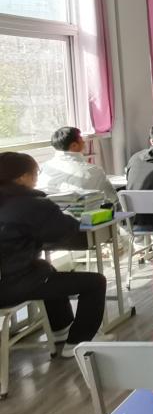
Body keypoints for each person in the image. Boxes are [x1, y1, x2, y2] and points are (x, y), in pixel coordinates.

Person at [0, 152, 107, 357]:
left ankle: (61, 328)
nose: (36, 178)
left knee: (46, 269)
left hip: (7, 279)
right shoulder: (31, 204)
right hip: (12, 286)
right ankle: (79, 342)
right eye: (35, 173)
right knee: (95, 282)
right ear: (22, 177)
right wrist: (64, 215)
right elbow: (64, 230)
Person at [37, 126, 117, 204]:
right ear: (74, 145)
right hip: (85, 212)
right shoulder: (94, 171)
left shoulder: (43, 167)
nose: (84, 141)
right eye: (81, 138)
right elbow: (112, 199)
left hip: (50, 211)